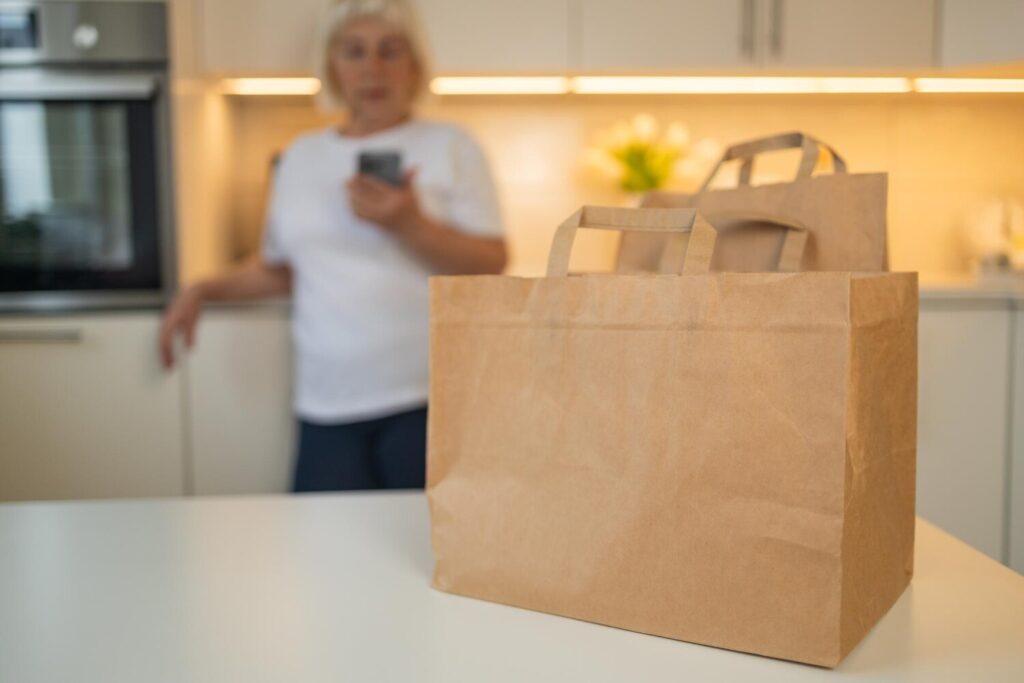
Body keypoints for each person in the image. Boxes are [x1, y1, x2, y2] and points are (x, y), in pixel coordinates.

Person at [159, 0, 507, 492]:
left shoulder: (453, 145)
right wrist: (202, 288)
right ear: (331, 66)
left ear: (414, 65)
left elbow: (492, 261)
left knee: (423, 540)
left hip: (427, 401)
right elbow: (282, 269)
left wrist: (409, 224)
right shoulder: (299, 157)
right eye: (354, 51)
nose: (373, 69)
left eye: (390, 50)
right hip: (326, 406)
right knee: (321, 538)